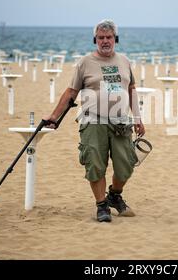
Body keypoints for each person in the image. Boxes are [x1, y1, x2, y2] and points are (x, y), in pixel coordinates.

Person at [43, 19, 145, 222]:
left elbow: (131, 89)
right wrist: (54, 116)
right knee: (95, 165)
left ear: (115, 39)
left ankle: (115, 196)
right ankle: (101, 206)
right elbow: (71, 91)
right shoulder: (85, 63)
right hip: (93, 121)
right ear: (95, 39)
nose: (105, 41)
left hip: (121, 121)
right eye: (101, 37)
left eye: (108, 37)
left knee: (125, 166)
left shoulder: (124, 61)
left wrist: (138, 117)